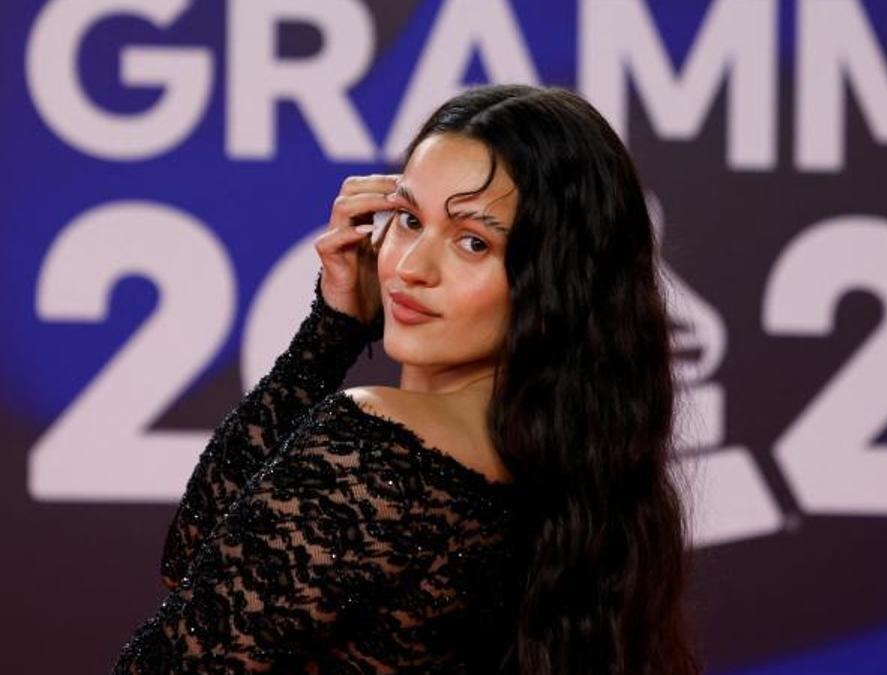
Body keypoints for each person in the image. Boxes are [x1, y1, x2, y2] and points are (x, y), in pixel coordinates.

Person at [112, 84, 703, 674]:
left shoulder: (378, 444)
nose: (411, 268)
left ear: (554, 282)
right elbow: (199, 556)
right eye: (408, 219)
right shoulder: (576, 477)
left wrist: (331, 333)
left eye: (474, 242)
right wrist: (334, 324)